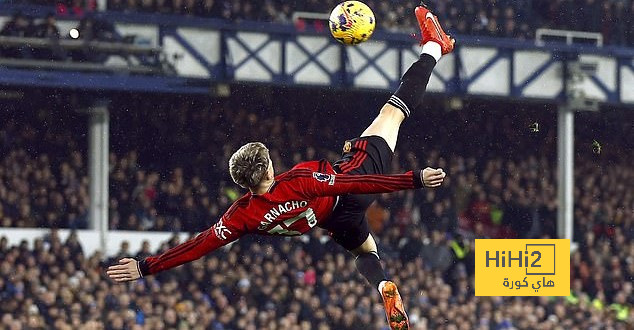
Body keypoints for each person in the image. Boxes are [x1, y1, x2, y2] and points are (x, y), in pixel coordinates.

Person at [107, 3, 455, 329]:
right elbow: (352, 185)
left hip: (332, 220)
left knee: (365, 250)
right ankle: (433, 47)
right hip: (348, 187)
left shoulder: (241, 215)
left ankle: (381, 284)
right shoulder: (299, 180)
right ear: (268, 170)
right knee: (392, 113)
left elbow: (198, 245)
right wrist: (414, 179)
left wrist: (145, 266)